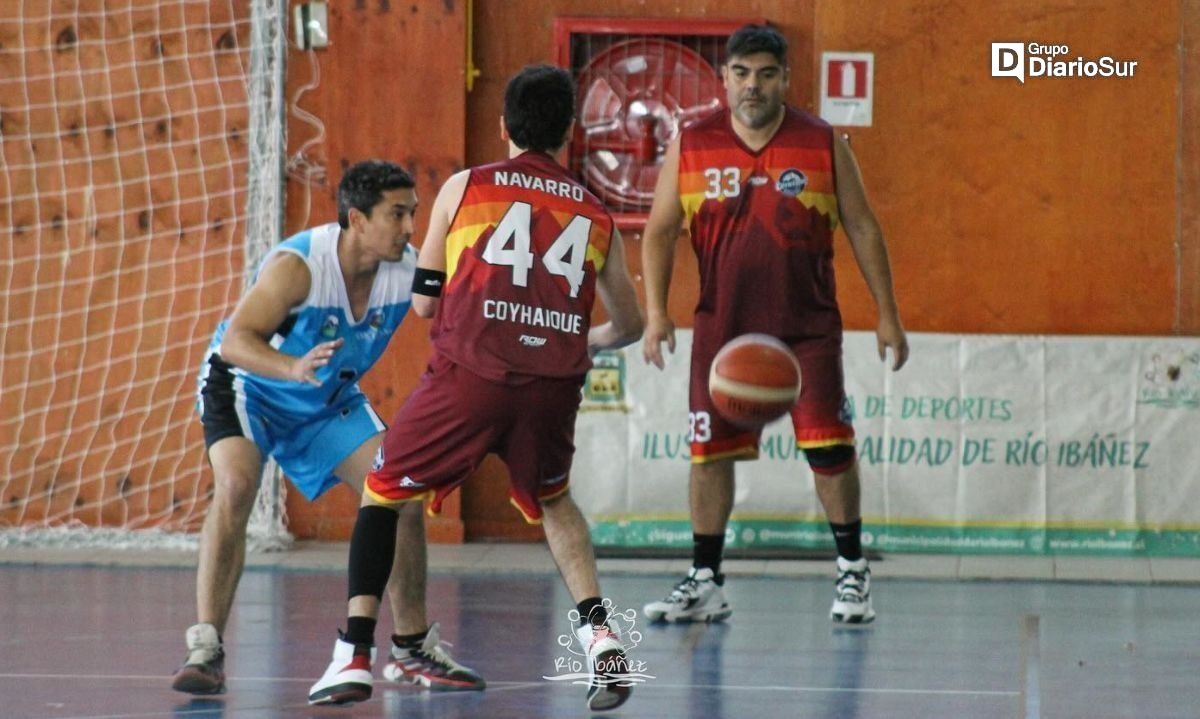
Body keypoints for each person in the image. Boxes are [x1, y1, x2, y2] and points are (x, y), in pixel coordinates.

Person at [307, 64, 644, 712]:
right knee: (555, 504)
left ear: (503, 126)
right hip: (550, 387)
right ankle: (602, 641)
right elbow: (629, 323)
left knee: (382, 488)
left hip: (470, 377)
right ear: (569, 130)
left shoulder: (466, 188)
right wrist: (588, 340)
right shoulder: (596, 214)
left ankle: (353, 652)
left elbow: (428, 305)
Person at [640, 24, 909, 626]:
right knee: (708, 455)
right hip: (722, 330)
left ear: (786, 79)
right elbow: (659, 231)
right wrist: (657, 313)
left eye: (765, 73)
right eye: (741, 73)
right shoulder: (692, 141)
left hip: (806, 328)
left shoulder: (821, 141)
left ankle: (852, 572)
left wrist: (888, 314)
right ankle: (706, 578)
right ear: (725, 79)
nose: (752, 85)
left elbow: (863, 226)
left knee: (831, 450)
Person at [171, 160, 429, 695]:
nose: (410, 228)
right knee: (238, 485)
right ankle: (206, 646)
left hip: (323, 398)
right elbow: (237, 341)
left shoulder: (409, 271)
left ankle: (411, 648)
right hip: (251, 387)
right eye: (397, 214)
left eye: (414, 214)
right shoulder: (301, 265)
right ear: (357, 219)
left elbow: (460, 315)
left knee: (400, 494)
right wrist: (291, 367)